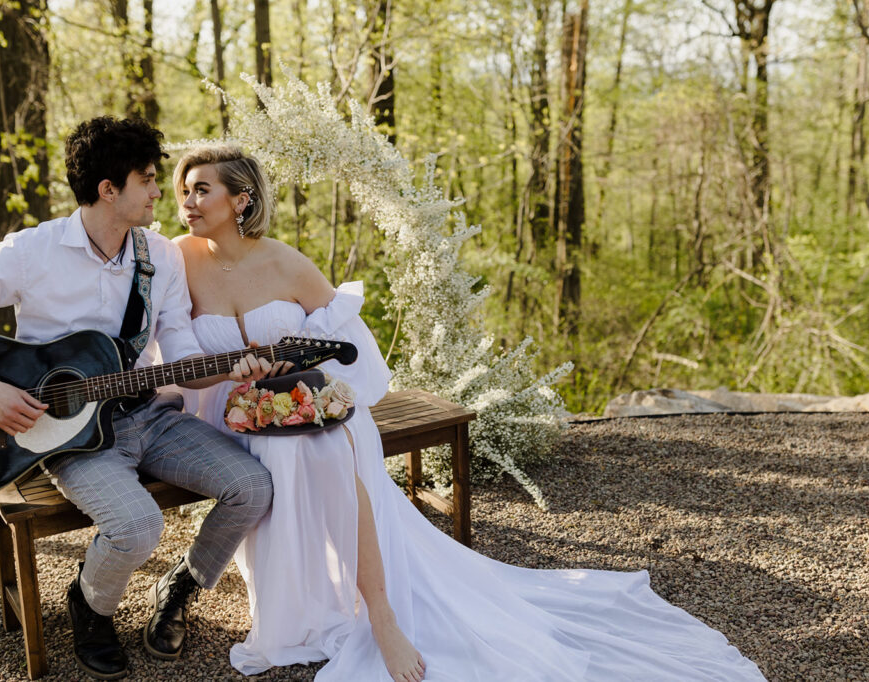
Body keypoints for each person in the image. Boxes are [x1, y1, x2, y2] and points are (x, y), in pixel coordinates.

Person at [171, 142, 767, 681]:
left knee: (325, 446)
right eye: (183, 188)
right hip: (236, 414)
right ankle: (299, 607)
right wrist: (230, 373)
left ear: (241, 198)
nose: (189, 200)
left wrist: (305, 385)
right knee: (283, 449)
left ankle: (382, 615)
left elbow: (355, 358)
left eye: (203, 188)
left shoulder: (287, 263)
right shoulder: (179, 261)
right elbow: (172, 349)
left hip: (310, 405)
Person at [0, 117, 277, 681]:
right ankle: (90, 607)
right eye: (147, 180)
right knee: (137, 526)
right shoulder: (31, 251)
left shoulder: (160, 258)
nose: (158, 192)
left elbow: (182, 358)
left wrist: (234, 368)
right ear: (108, 190)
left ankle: (180, 586)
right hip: (67, 435)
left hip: (148, 413)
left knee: (253, 487)